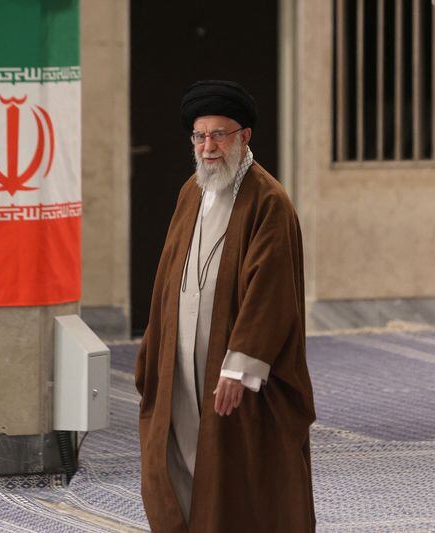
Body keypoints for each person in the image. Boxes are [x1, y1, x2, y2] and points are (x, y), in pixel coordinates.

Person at [134, 80, 316, 532]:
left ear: (244, 137)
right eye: (200, 136)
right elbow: (166, 279)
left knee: (237, 471)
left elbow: (271, 294)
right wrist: (153, 352)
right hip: (182, 363)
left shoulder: (268, 201)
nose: (209, 146)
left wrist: (239, 368)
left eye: (220, 134)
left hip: (231, 371)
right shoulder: (191, 192)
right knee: (179, 453)